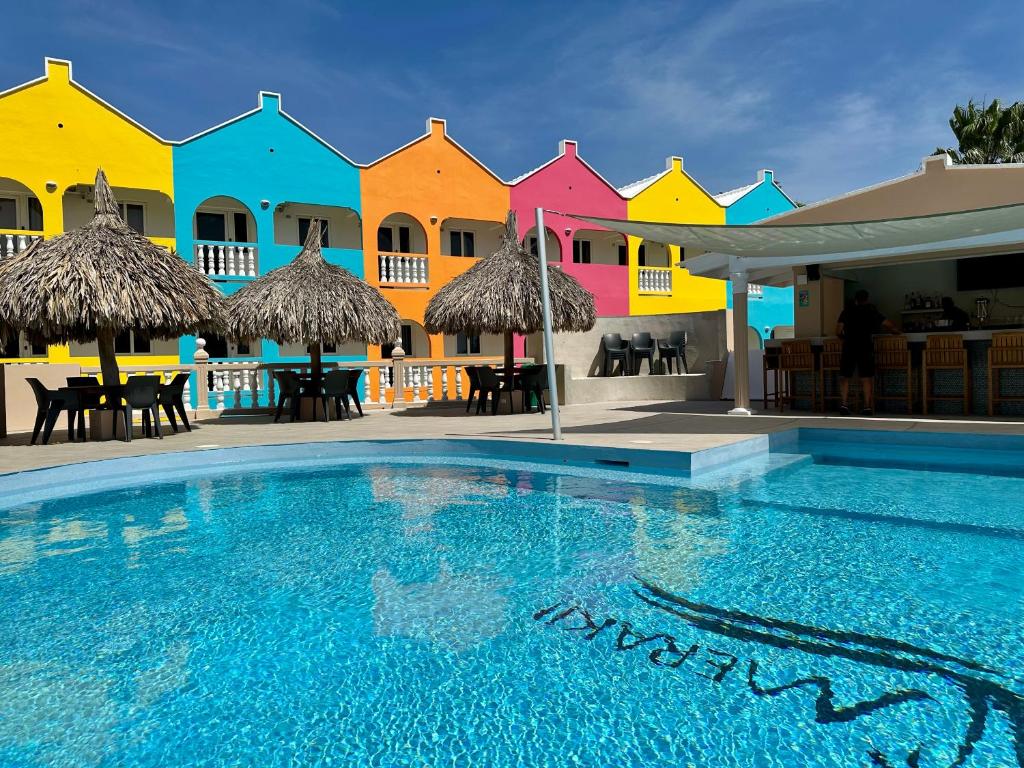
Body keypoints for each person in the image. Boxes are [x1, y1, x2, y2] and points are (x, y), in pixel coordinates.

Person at [836, 289, 898, 416]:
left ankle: (844, 404)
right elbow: (889, 324)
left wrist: (844, 338)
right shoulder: (871, 311)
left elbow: (838, 330)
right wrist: (896, 331)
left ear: (855, 300)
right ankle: (867, 407)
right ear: (867, 299)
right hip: (865, 346)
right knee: (866, 377)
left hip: (849, 346)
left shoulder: (846, 311)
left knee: (845, 376)